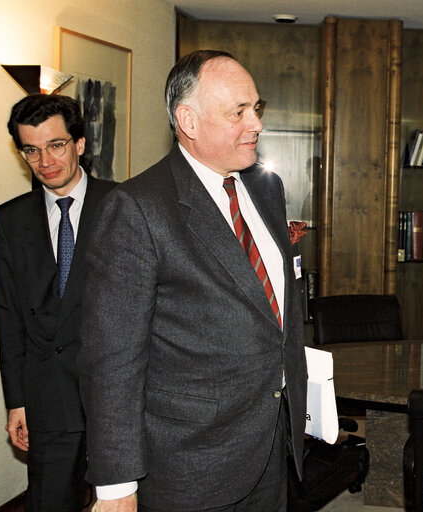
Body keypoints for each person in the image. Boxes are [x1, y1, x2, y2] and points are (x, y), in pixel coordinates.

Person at [77, 50, 307, 511]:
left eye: (255, 108)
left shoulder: (267, 189)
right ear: (189, 120)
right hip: (190, 466)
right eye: (237, 112)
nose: (256, 124)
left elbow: (272, 312)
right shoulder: (137, 209)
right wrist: (117, 486)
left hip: (271, 447)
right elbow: (112, 360)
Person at [0, 94, 116, 511]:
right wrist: (17, 401)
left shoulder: (124, 206)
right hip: (48, 399)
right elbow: (8, 316)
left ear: (80, 143)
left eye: (56, 145)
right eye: (31, 149)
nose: (45, 160)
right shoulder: (9, 221)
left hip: (115, 396)